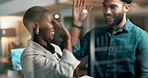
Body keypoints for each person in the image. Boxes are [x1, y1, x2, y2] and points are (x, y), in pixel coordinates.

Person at [71, 0, 148, 78]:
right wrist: (77, 23)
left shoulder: (141, 38)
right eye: (105, 6)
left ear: (126, 8)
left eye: (113, 7)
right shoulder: (94, 33)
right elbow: (74, 54)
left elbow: (144, 75)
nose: (107, 12)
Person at [21, 6, 80, 78]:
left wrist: (77, 22)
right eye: (51, 22)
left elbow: (70, 71)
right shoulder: (29, 56)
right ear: (36, 25)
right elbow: (63, 73)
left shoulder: (56, 48)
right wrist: (67, 40)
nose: (54, 26)